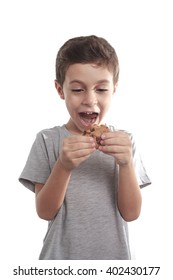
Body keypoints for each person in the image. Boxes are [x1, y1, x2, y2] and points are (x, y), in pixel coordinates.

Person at [19, 35, 151, 260]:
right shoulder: (47, 140)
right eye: (78, 90)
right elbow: (44, 212)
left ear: (114, 90)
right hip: (60, 262)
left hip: (113, 263)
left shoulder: (124, 142)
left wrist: (126, 163)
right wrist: (64, 165)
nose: (90, 100)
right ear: (61, 90)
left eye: (101, 89)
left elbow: (131, 213)